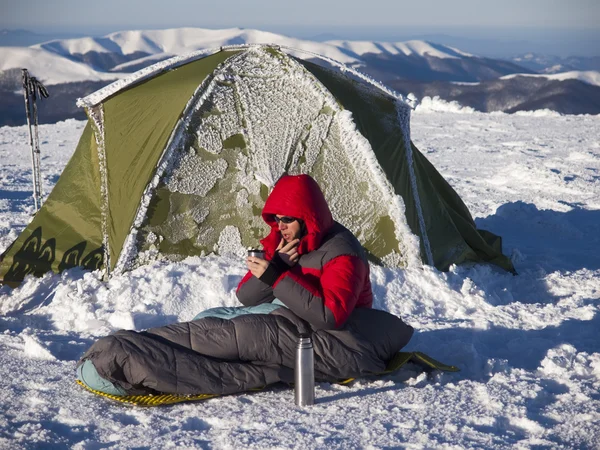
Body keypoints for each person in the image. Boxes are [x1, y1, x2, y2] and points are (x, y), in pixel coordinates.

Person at [236, 173, 373, 330]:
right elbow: (246, 296)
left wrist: (276, 278)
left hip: (341, 338)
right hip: (293, 322)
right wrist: (277, 265)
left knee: (218, 335)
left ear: (305, 218)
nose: (280, 226)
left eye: (287, 219)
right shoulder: (282, 242)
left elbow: (330, 316)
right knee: (207, 320)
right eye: (277, 219)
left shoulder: (342, 253)